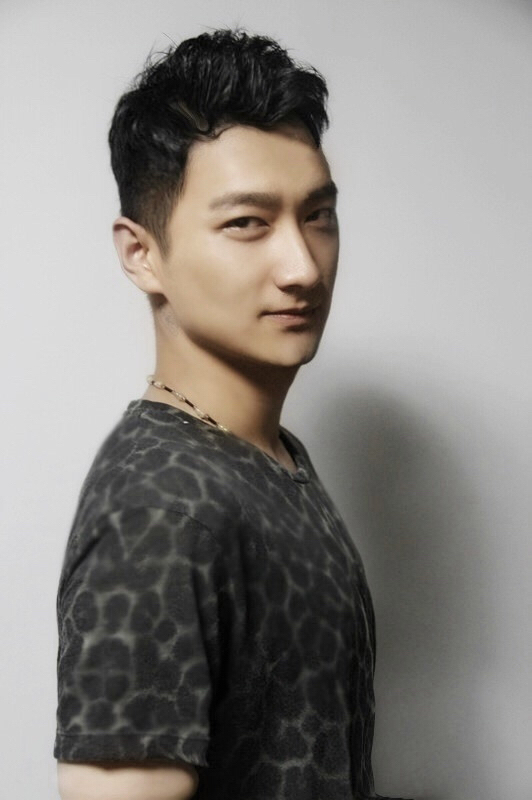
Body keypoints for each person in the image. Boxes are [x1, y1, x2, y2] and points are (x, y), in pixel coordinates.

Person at [54, 27, 411, 800]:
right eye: (247, 223)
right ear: (141, 254)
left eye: (318, 215)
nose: (302, 266)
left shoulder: (271, 456)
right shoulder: (159, 507)